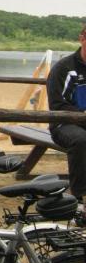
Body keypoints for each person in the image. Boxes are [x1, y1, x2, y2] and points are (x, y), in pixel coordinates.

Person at [47, 26, 86, 202]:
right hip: (63, 124)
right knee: (81, 140)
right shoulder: (63, 68)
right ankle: (78, 196)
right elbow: (57, 105)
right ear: (82, 39)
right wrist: (82, 114)